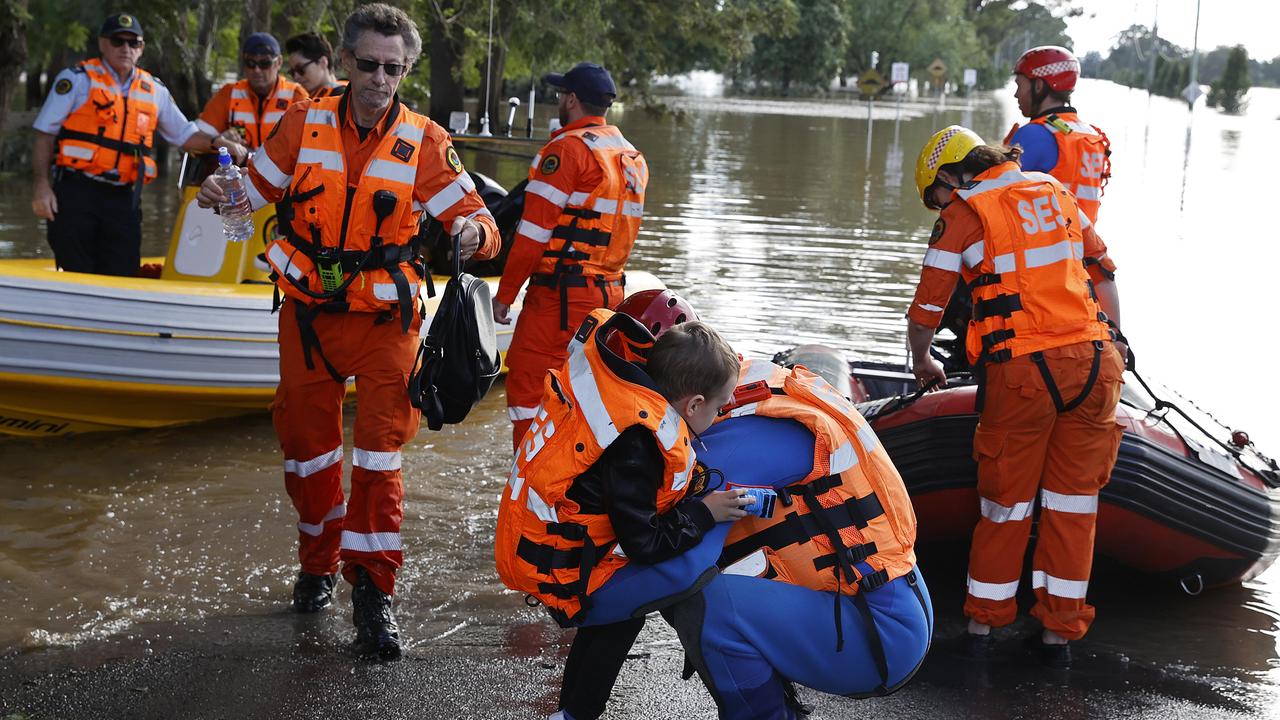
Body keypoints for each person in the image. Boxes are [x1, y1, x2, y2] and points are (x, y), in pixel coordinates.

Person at [195, 2, 499, 660]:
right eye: (368, 64)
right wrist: (223, 194)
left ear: (405, 70)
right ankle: (317, 563)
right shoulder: (302, 120)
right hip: (307, 315)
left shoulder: (424, 141)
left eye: (394, 68)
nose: (379, 79)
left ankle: (373, 591)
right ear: (347, 61)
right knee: (306, 453)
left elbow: (478, 220)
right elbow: (254, 189)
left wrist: (472, 232)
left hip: (386, 321)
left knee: (380, 458)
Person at [907, 126, 1126, 668]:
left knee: (1005, 505)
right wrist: (1115, 337)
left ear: (951, 175)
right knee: (1074, 505)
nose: (941, 204)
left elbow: (926, 310)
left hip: (1025, 371)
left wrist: (921, 360)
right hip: (1096, 365)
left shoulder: (964, 212)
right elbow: (1101, 269)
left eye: (937, 194)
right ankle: (1059, 633)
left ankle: (983, 624)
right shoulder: (1054, 191)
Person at [494, 304, 749, 720]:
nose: (720, 415)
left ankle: (575, 710)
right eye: (719, 408)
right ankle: (576, 713)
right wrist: (705, 514)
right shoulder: (641, 443)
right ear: (694, 404)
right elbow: (644, 543)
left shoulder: (631, 403)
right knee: (630, 603)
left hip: (565, 541)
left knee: (615, 613)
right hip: (569, 565)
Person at [666, 357, 933, 720]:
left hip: (878, 634)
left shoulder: (744, 440)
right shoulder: (768, 400)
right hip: (894, 603)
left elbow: (669, 557)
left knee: (700, 599)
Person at [492, 61, 648, 450]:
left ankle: (528, 484)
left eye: (562, 95)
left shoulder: (567, 151)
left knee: (528, 387)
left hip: (559, 298)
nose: (559, 101)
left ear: (572, 99)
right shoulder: (630, 157)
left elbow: (531, 235)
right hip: (610, 295)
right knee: (583, 394)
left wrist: (505, 295)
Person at [29, 12, 243, 276]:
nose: (126, 49)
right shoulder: (76, 79)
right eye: (118, 41)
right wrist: (41, 187)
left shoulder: (155, 90)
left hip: (124, 197)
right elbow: (44, 134)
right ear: (103, 43)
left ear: (141, 48)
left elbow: (185, 136)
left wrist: (217, 142)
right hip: (76, 191)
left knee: (124, 269)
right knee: (76, 269)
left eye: (134, 43)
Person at [1003, 46, 1111, 224]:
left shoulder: (1034, 134)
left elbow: (989, 190)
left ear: (1038, 86)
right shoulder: (1090, 135)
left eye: (1019, 85)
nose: (1016, 94)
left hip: (1041, 247)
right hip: (1081, 247)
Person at [196, 32, 308, 152]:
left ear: (279, 62)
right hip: (238, 169)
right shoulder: (228, 93)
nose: (257, 70)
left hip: (281, 169)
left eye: (265, 63)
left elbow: (308, 144)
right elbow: (196, 138)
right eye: (251, 63)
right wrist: (220, 140)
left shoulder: (296, 96)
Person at [285, 31, 345, 99]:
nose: (296, 77)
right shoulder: (307, 98)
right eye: (292, 72)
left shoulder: (343, 98)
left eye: (300, 69)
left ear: (323, 62)